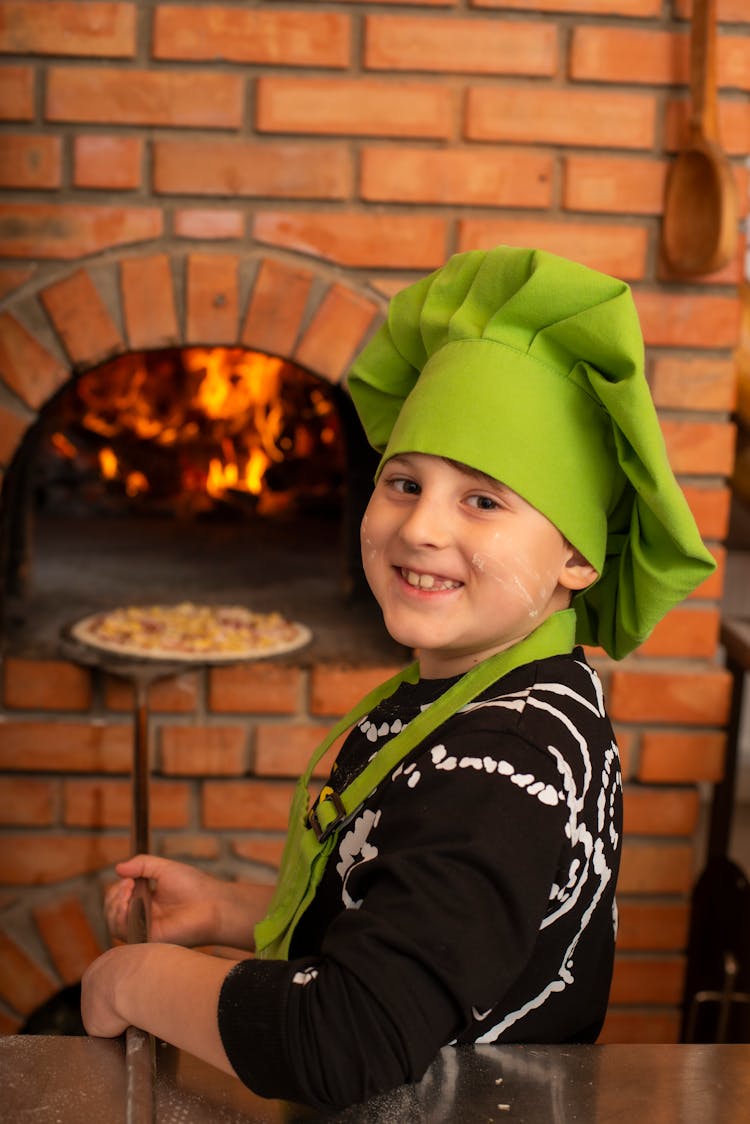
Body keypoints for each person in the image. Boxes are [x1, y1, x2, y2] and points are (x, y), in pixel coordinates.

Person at [81, 246, 716, 1111]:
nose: (421, 528)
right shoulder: (501, 694)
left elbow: (346, 1039)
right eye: (405, 482)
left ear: (575, 555)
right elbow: (423, 909)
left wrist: (136, 978)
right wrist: (237, 915)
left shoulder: (510, 760)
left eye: (482, 499)